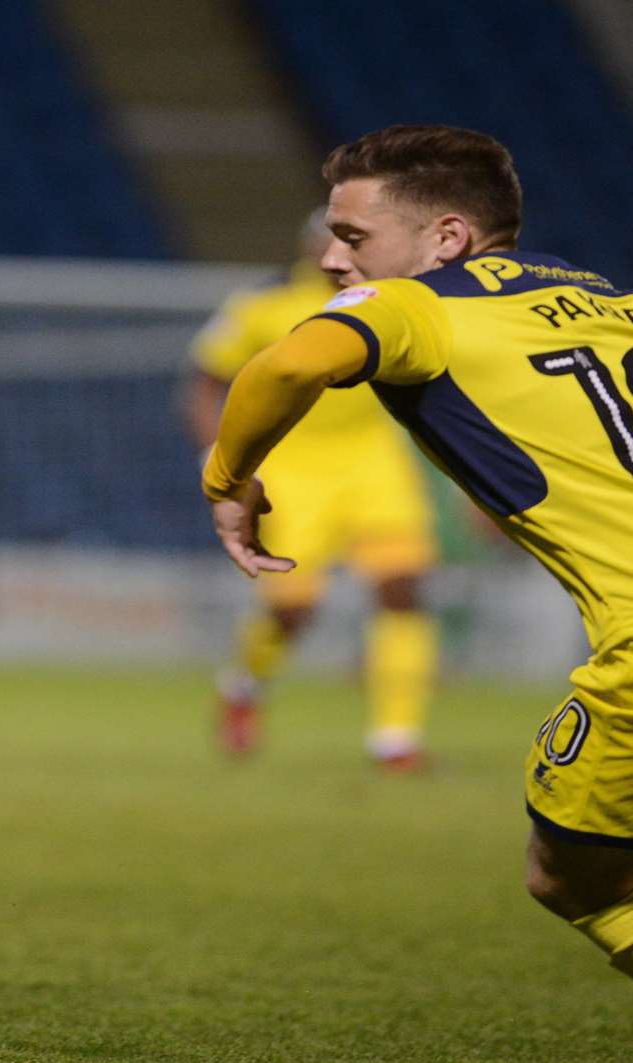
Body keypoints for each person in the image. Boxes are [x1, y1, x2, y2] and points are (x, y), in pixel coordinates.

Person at [202, 123, 633, 1063]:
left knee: (579, 882)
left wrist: (229, 479)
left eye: (351, 235)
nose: (329, 254)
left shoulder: (410, 309)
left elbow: (292, 365)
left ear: (447, 239)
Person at [185, 211, 438, 768]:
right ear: (313, 249)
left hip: (373, 459)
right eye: (337, 242)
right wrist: (220, 462)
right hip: (292, 466)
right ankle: (244, 686)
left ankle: (396, 739)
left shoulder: (391, 302)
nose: (343, 255)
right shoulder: (262, 307)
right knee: (295, 608)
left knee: (401, 587)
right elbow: (206, 382)